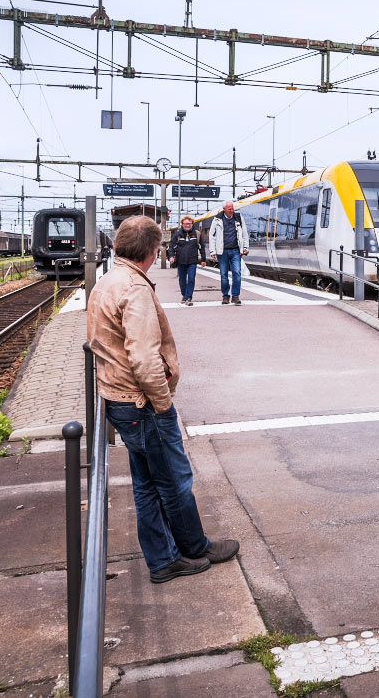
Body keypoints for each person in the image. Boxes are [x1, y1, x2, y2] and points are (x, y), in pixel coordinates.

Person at [87, 216, 239, 583]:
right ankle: (190, 549)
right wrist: (163, 404)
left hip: (118, 398)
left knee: (147, 484)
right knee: (174, 480)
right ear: (154, 252)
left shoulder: (107, 281)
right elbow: (143, 358)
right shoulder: (134, 289)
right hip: (141, 402)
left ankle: (166, 556)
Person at [208, 201, 249, 305]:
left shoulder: (238, 218)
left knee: (237, 273)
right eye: (229, 209)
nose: (232, 210)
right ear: (224, 209)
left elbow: (244, 233)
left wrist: (244, 248)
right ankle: (225, 296)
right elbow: (212, 236)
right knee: (223, 274)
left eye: (232, 208)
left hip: (235, 250)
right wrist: (212, 251)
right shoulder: (217, 220)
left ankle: (235, 296)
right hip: (222, 251)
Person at [168, 215, 206, 306]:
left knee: (191, 278)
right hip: (180, 260)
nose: (187, 225)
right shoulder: (177, 234)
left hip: (192, 261)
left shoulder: (197, 234)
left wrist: (203, 259)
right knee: (182, 279)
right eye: (185, 224)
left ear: (192, 224)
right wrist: (171, 256)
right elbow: (171, 246)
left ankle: (189, 297)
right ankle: (184, 295)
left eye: (189, 224)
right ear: (182, 224)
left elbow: (202, 247)